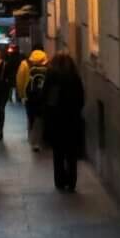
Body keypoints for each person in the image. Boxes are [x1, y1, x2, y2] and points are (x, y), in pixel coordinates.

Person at [43, 51, 85, 192]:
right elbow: (81, 99)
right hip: (72, 121)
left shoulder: (52, 78)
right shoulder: (74, 77)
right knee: (72, 153)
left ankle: (60, 180)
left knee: (58, 153)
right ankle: (72, 181)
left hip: (56, 121)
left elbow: (47, 98)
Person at [16, 46, 49, 151]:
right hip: (43, 97)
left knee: (31, 117)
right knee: (41, 117)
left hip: (29, 96)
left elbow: (20, 81)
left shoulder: (25, 64)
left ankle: (32, 139)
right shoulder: (47, 67)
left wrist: (21, 95)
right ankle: (40, 139)